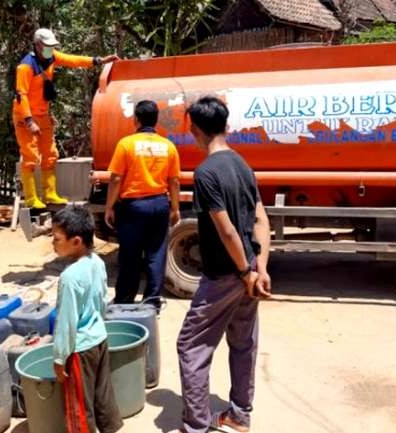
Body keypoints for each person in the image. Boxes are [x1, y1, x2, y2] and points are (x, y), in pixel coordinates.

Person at [170, 96, 271, 433]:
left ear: (194, 130)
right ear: (226, 126)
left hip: (226, 274)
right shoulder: (243, 165)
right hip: (249, 268)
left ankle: (196, 425)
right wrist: (261, 269)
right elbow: (261, 219)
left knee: (191, 345)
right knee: (243, 341)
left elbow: (226, 230)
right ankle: (240, 415)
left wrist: (244, 272)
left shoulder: (206, 173)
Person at [14, 28, 119, 209]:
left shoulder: (51, 57)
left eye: (52, 46)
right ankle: (31, 198)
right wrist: (29, 121)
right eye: (47, 46)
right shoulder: (25, 66)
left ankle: (50, 194)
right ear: (38, 45)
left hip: (43, 113)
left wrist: (98, 61)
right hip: (26, 116)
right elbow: (20, 94)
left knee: (50, 154)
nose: (50, 49)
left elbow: (73, 60)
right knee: (30, 156)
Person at [51, 206, 123, 433]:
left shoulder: (69, 277)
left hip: (80, 350)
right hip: (99, 339)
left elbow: (66, 322)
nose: (53, 243)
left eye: (56, 238)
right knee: (103, 396)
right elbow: (103, 301)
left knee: (79, 407)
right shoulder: (97, 262)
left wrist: (59, 357)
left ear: (76, 241)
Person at [104, 100, 180, 311]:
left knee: (130, 255)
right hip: (159, 204)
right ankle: (151, 302)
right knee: (156, 254)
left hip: (134, 206)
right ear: (156, 120)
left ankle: (125, 300)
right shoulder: (168, 146)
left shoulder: (126, 144)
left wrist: (109, 206)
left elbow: (116, 179)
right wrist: (175, 208)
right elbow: (174, 181)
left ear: (136, 119)